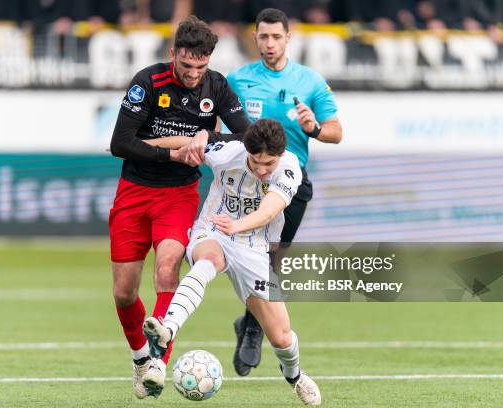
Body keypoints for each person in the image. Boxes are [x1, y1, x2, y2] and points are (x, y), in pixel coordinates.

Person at [108, 15, 250, 399]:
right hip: (134, 191)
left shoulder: (217, 86)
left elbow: (246, 134)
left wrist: (208, 135)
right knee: (124, 293)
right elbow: (121, 143)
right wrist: (174, 151)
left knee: (168, 268)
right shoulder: (148, 82)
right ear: (173, 54)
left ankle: (158, 361)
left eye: (199, 67)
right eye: (186, 65)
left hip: (180, 197)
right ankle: (140, 358)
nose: (192, 74)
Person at [142, 119, 322, 406]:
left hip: (255, 247)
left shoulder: (289, 168)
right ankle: (168, 330)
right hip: (213, 230)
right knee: (208, 259)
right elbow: (185, 141)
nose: (262, 170)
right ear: (246, 150)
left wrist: (238, 226)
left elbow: (269, 210)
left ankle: (295, 376)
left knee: (281, 337)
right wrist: (140, 146)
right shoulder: (228, 152)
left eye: (269, 164)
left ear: (280, 155)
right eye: (255, 162)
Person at [226, 8, 342, 376]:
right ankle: (254, 333)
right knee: (251, 256)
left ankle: (250, 325)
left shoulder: (309, 81)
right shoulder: (238, 79)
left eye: (276, 36)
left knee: (274, 258)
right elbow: (219, 129)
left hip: (291, 182)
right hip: (247, 181)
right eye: (263, 36)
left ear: (288, 38)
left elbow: (336, 131)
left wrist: (314, 128)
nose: (270, 43)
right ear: (255, 38)